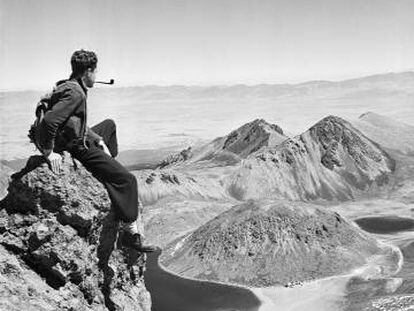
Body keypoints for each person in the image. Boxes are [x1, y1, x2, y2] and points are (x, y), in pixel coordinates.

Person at [38, 49, 157, 253]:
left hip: (78, 137)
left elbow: (75, 124)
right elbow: (49, 122)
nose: (96, 76)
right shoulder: (76, 93)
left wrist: (98, 139)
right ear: (88, 72)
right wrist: (49, 152)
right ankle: (130, 234)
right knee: (128, 180)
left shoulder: (68, 85)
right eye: (95, 71)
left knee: (109, 126)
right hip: (75, 147)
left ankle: (107, 165)